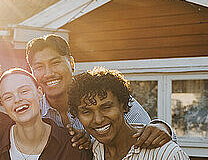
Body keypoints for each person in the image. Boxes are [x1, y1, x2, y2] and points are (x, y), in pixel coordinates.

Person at [26, 34, 172, 149]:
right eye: (39, 67)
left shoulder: (105, 97)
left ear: (71, 63)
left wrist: (161, 126)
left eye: (55, 63)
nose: (48, 73)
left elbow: (153, 134)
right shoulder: (32, 111)